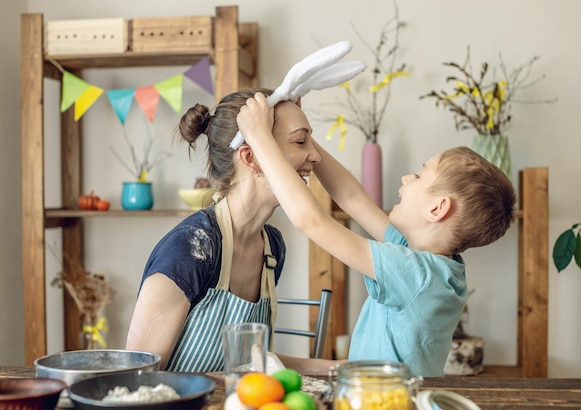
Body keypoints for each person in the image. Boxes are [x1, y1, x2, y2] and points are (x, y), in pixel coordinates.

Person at [236, 92, 517, 377]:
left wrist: (260, 138)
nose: (407, 178)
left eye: (419, 176)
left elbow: (312, 222)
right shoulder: (428, 260)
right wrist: (306, 144)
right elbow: (352, 196)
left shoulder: (416, 275)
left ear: (437, 208)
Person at [125, 88, 336, 375]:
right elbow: (138, 376)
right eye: (301, 141)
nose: (315, 156)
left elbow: (252, 361)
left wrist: (337, 368)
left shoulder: (272, 247)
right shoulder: (190, 249)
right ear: (250, 157)